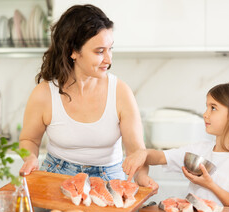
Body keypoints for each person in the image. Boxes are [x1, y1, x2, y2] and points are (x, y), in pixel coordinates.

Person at [19, 4, 157, 191]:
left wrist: (141, 175)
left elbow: (136, 150)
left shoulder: (120, 92)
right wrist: (31, 158)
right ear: (73, 51)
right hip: (55, 175)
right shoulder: (44, 94)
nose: (109, 59)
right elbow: (29, 140)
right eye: (100, 51)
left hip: (109, 178)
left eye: (110, 49)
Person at [124, 82, 229, 207]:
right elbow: (160, 157)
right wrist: (144, 153)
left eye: (213, 108)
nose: (205, 114)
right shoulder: (200, 150)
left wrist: (210, 185)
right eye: (207, 107)